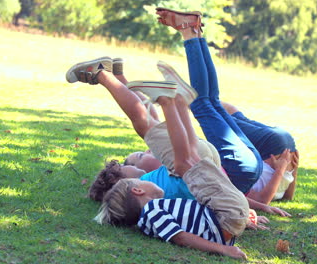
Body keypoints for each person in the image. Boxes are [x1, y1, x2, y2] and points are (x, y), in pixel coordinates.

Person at [66, 55, 250, 259]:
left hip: (224, 205)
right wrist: (225, 248)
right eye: (129, 171)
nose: (133, 166)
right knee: (148, 128)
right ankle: (104, 74)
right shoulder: (152, 206)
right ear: (134, 188)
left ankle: (174, 101)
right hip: (223, 207)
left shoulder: (158, 203)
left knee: (177, 151)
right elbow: (180, 237)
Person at [155, 9, 298, 205]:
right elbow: (263, 200)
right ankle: (190, 31)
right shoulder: (163, 178)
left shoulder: (159, 177)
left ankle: (193, 31)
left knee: (209, 101)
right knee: (205, 103)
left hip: (247, 168)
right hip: (242, 171)